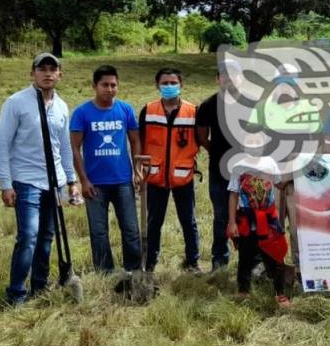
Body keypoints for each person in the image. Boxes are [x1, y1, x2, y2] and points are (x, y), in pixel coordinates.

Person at [0, 52, 78, 305]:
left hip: (55, 182)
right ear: (32, 74)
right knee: (28, 236)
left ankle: (39, 287)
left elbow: (64, 146)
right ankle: (16, 293)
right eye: (42, 69)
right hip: (26, 180)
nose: (47, 73)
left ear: (60, 75)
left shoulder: (62, 106)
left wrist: (71, 180)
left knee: (47, 238)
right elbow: (2, 144)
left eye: (53, 69)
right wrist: (5, 184)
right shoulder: (16, 103)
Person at [69, 64, 143, 274]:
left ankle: (134, 270)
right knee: (99, 232)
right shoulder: (82, 113)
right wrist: (83, 180)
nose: (109, 89)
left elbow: (135, 140)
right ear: (95, 86)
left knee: (130, 229)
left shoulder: (125, 110)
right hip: (95, 184)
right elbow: (74, 147)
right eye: (105, 85)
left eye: (113, 85)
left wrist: (137, 170)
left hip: (122, 181)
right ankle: (105, 272)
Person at [139, 67, 201, 272]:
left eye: (173, 83)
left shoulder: (193, 112)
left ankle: (193, 262)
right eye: (164, 83)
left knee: (188, 221)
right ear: (157, 85)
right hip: (155, 177)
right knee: (154, 222)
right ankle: (150, 262)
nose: (169, 86)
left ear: (181, 85)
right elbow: (139, 142)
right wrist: (138, 172)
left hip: (183, 177)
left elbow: (200, 139)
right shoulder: (148, 111)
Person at [227, 156, 291, 307]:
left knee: (275, 256)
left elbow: (280, 184)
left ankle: (280, 294)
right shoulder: (238, 165)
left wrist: (294, 177)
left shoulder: (270, 162)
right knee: (245, 257)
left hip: (268, 220)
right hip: (246, 220)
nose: (254, 145)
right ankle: (243, 290)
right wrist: (231, 222)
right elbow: (233, 194)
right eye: (250, 142)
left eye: (257, 142)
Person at [195, 64, 239, 271]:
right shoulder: (208, 106)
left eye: (234, 76)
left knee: (253, 214)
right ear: (218, 79)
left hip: (247, 170)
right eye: (225, 76)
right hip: (219, 169)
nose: (229, 80)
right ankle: (219, 260)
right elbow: (202, 137)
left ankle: (254, 261)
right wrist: (219, 153)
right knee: (221, 215)